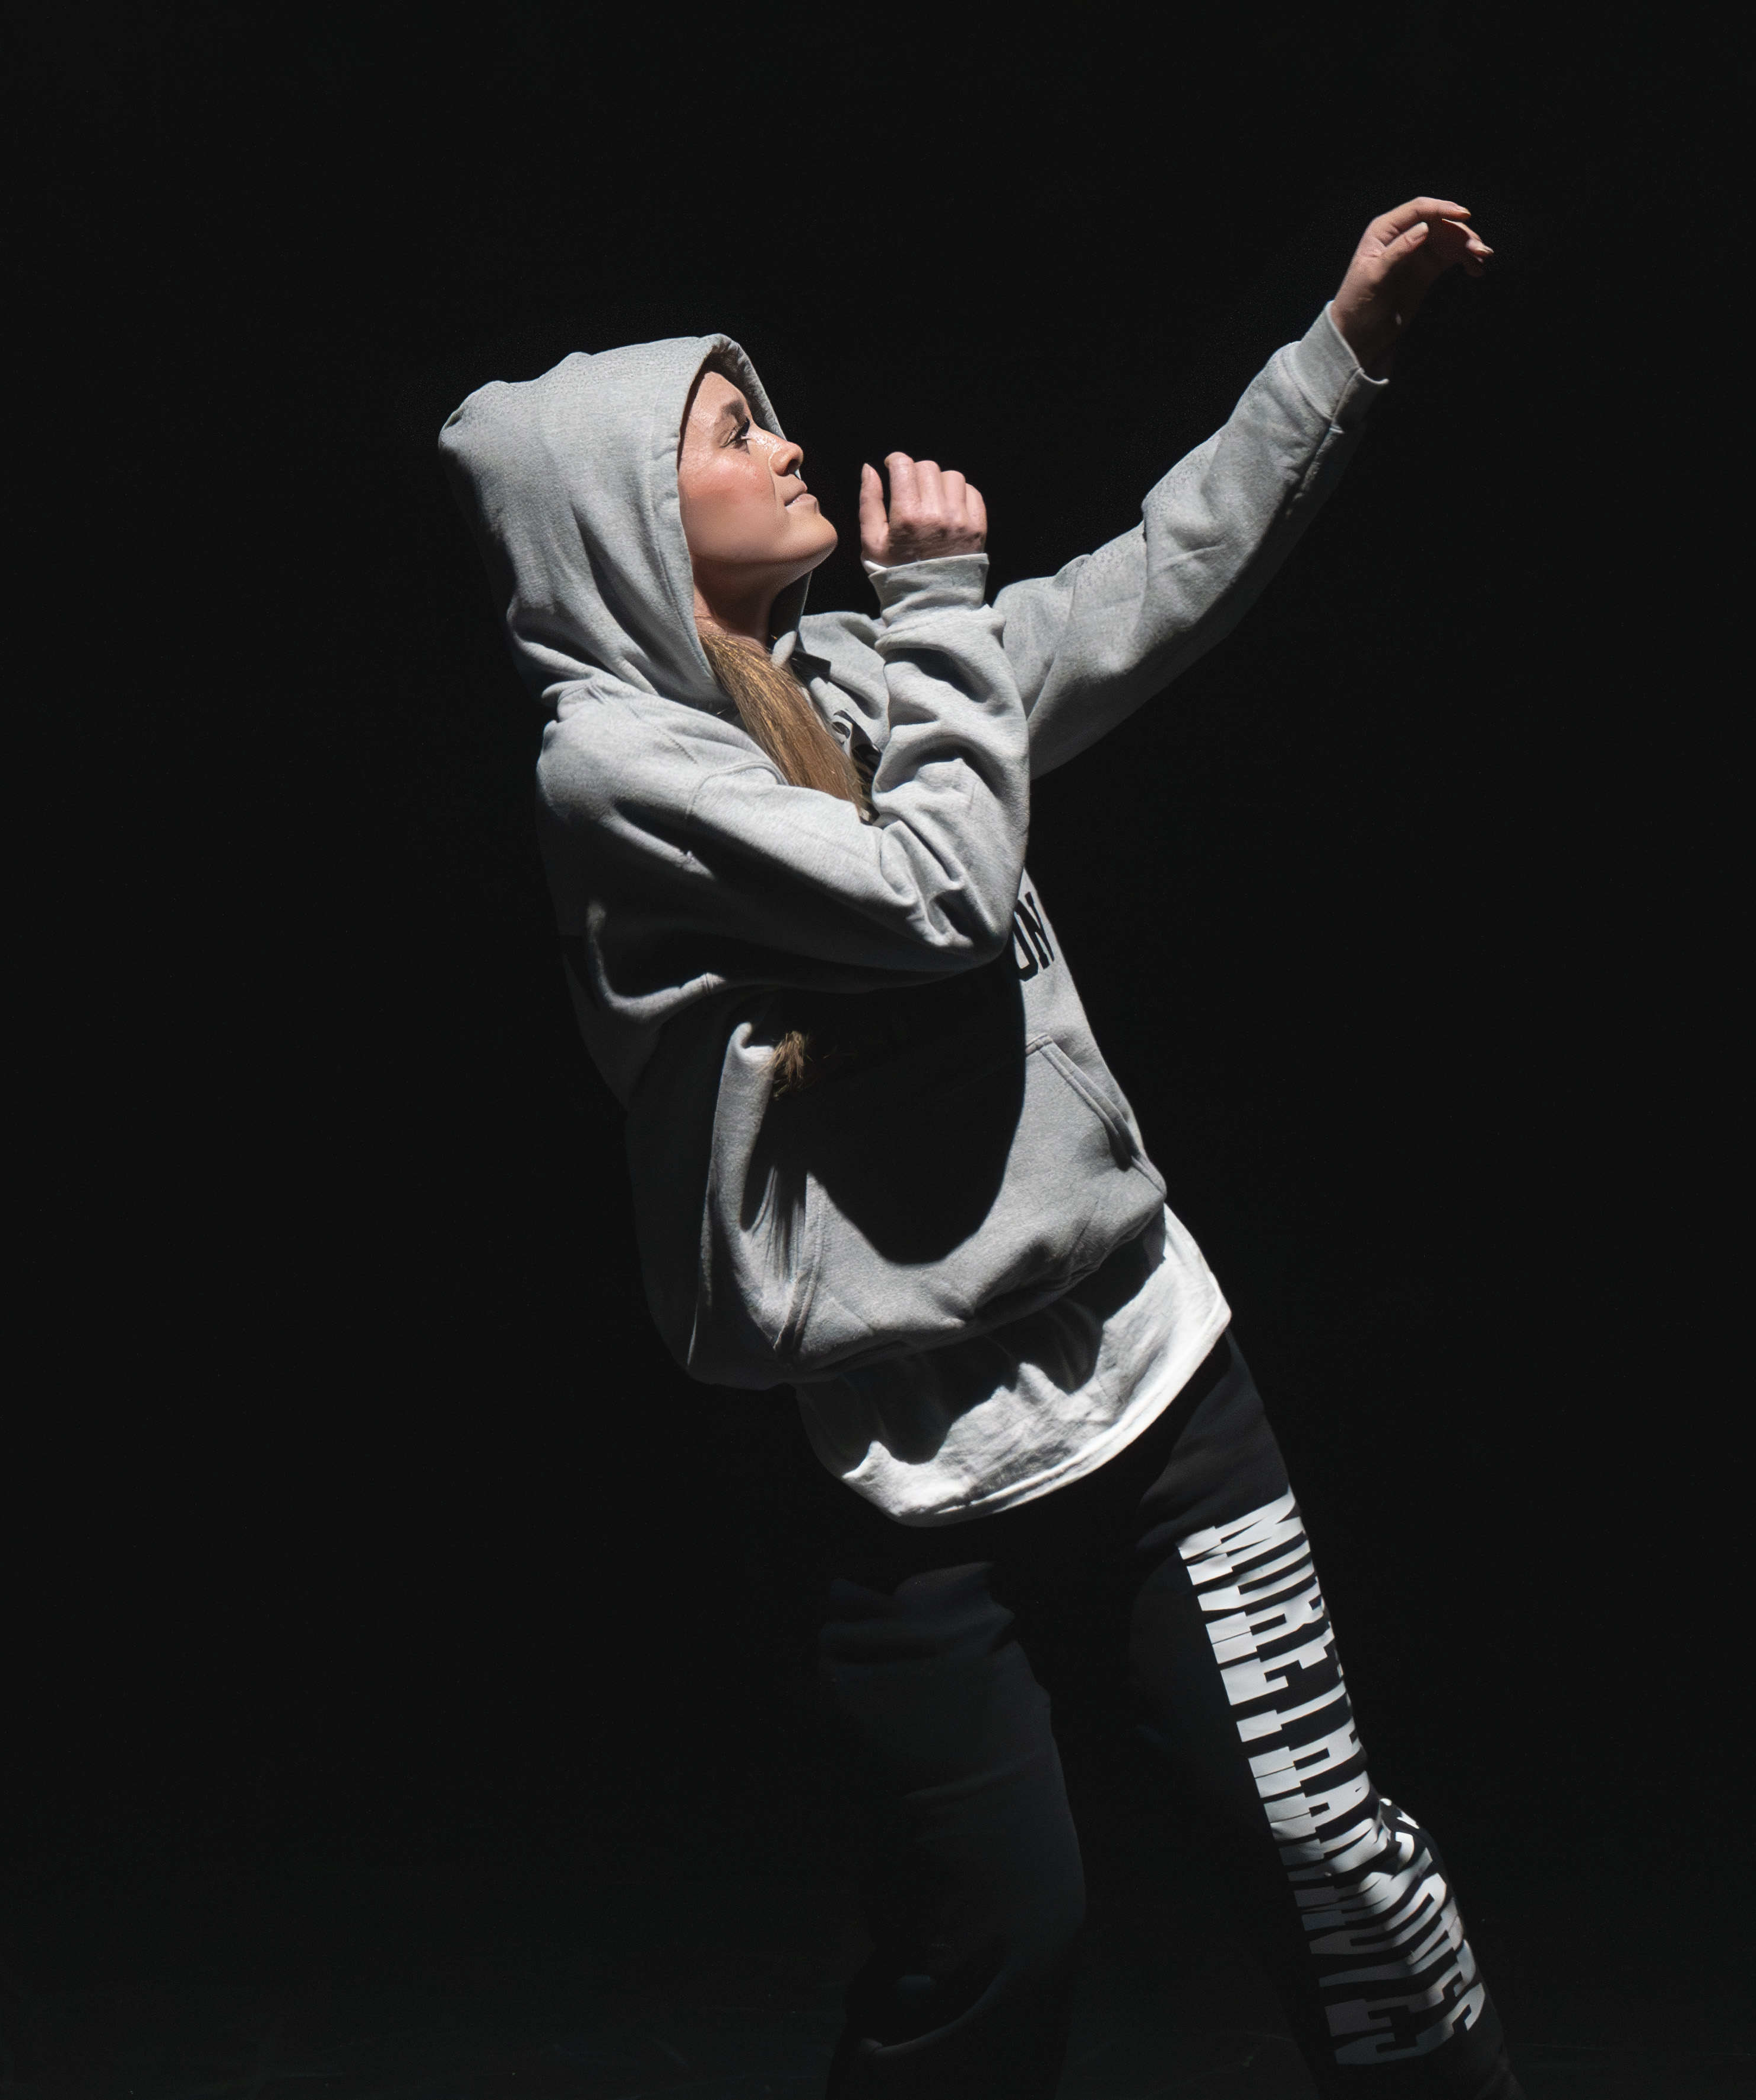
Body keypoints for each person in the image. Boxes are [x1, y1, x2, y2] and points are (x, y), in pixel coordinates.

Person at [440, 198, 1513, 2100]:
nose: (789, 445)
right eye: (730, 432)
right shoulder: (611, 771)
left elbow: (1148, 585)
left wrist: (1341, 345)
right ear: (620, 524)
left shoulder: (869, 676)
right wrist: (942, 605)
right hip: (905, 1466)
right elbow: (937, 891)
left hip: (1156, 1377)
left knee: (1340, 1862)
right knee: (996, 1938)